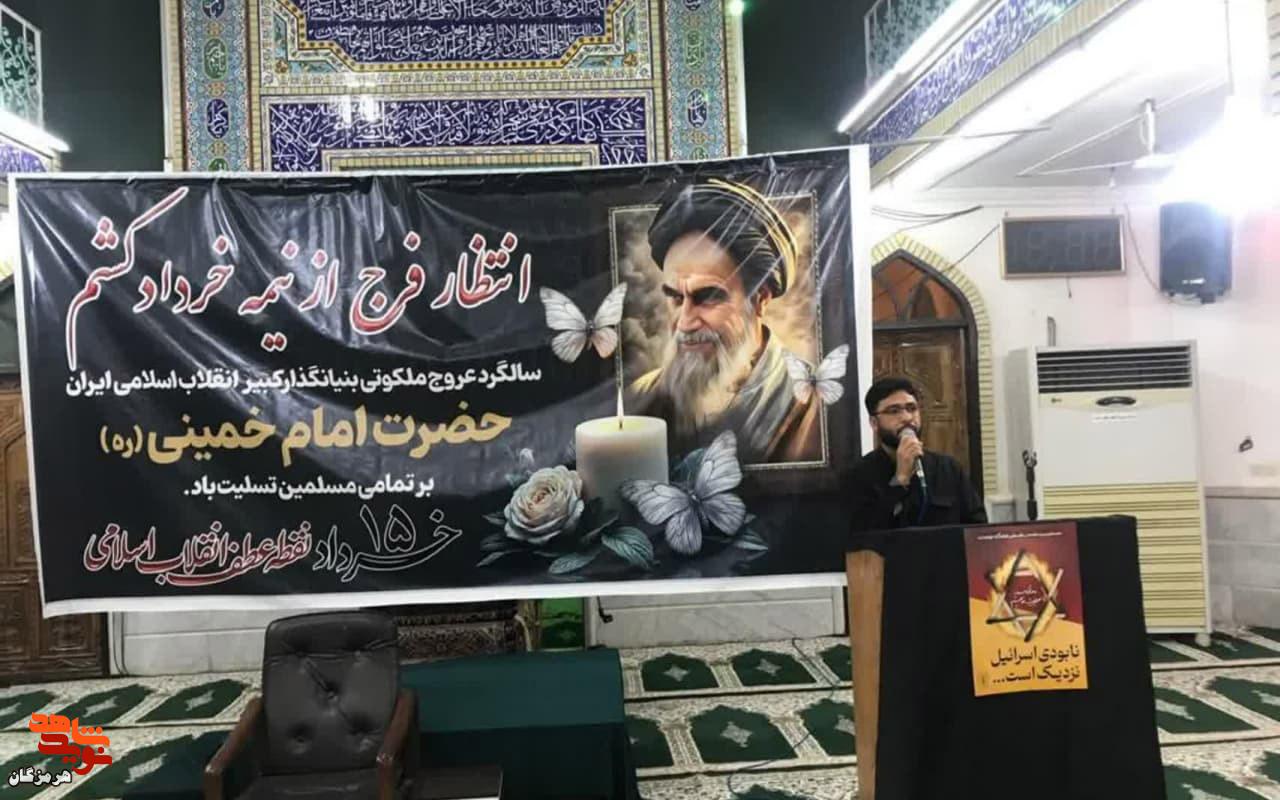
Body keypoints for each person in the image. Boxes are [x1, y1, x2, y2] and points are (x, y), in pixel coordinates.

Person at [627, 178, 821, 463]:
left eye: (707, 297)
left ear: (760, 298)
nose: (685, 323)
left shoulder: (812, 404)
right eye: (676, 298)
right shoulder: (643, 395)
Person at [849, 377, 987, 530]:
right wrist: (900, 481)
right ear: (874, 423)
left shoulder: (948, 468)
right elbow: (862, 532)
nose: (907, 418)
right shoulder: (857, 475)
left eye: (912, 408)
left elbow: (978, 526)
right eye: (894, 411)